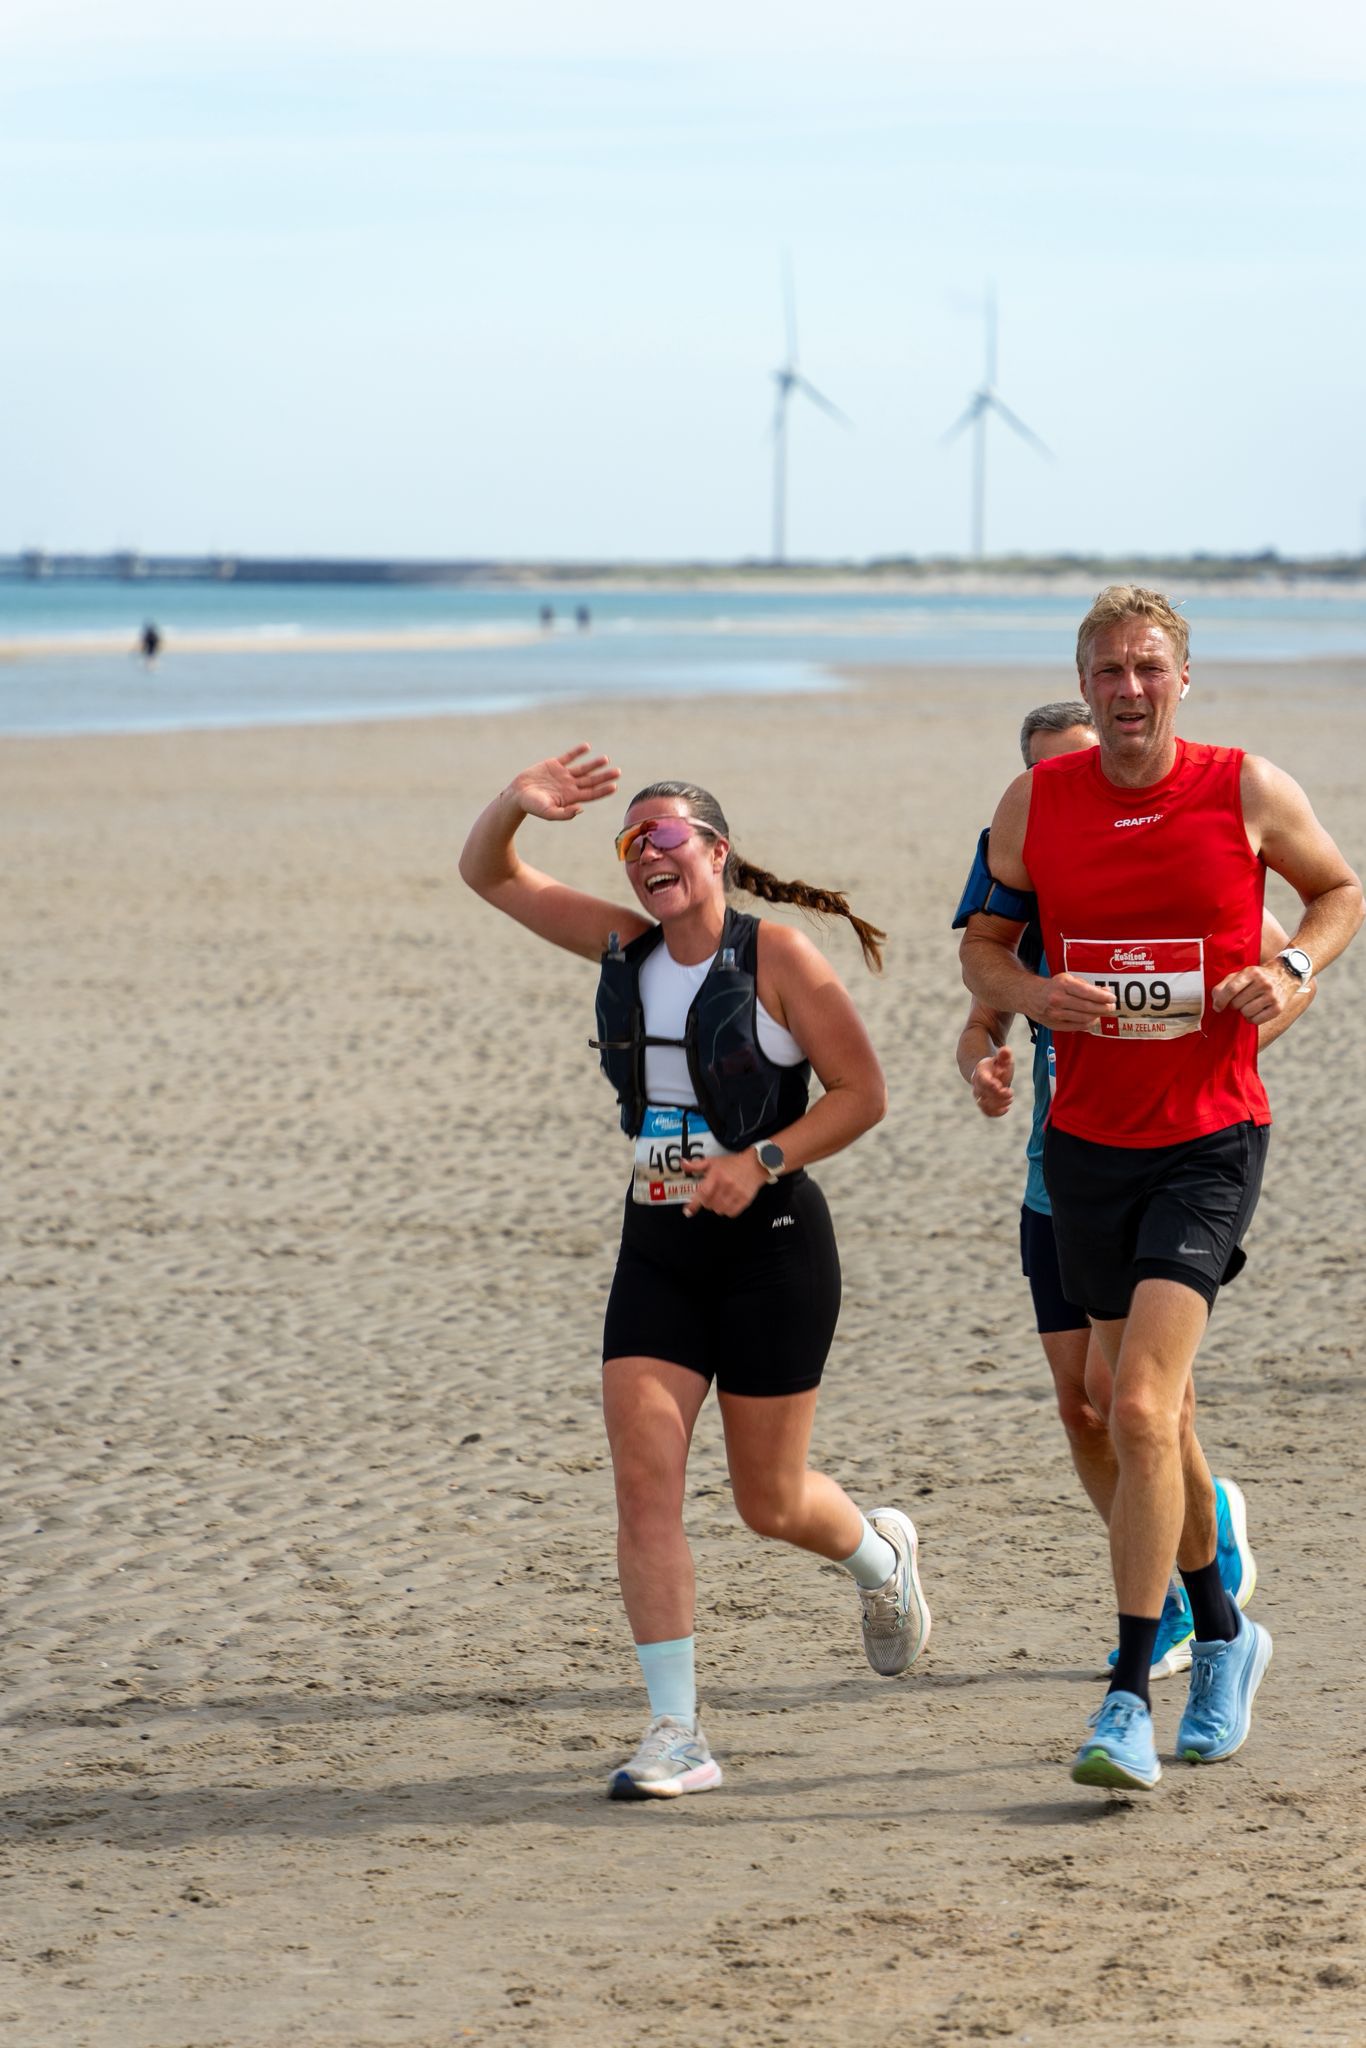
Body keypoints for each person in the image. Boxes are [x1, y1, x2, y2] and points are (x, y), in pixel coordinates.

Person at [460, 745, 929, 1801]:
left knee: (768, 1500)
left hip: (772, 1249)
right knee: (644, 1487)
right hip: (658, 1250)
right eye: (631, 842)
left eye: (665, 835)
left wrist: (759, 1158)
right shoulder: (624, 945)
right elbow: (490, 875)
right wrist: (513, 805)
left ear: (715, 852)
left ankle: (882, 1559)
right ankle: (675, 1731)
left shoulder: (778, 957)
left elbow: (860, 1091)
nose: (645, 855)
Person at [959, 588, 1363, 1792]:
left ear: (1182, 678)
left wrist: (1290, 963)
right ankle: (1228, 1631)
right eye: (1105, 670)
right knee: (1118, 1402)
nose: (1126, 689)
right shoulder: (1035, 801)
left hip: (1208, 1135)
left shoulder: (1245, 786)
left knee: (1138, 1405)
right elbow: (983, 944)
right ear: (1080, 682)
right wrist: (1029, 999)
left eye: (1146, 667)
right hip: (1082, 1137)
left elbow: (1339, 892)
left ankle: (1131, 1694)